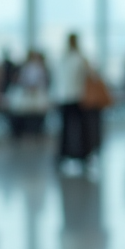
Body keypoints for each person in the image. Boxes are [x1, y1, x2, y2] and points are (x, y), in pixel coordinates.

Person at [52, 33, 90, 163]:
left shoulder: (62, 59)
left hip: (63, 97)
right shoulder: (80, 58)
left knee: (64, 128)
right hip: (77, 96)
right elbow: (88, 75)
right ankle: (82, 154)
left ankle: (63, 154)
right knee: (81, 127)